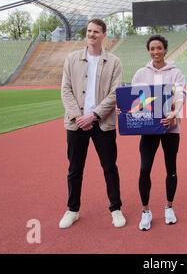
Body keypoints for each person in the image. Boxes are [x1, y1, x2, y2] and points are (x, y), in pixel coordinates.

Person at [59, 18, 126, 229]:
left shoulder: (114, 61)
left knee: (109, 168)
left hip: (102, 123)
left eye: (96, 31)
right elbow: (65, 90)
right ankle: (72, 210)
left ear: (104, 35)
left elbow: (116, 92)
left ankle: (115, 209)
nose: (91, 34)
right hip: (76, 123)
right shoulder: (72, 59)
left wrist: (94, 115)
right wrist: (79, 116)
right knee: (75, 169)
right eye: (89, 31)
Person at [130, 34, 185, 231]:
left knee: (171, 169)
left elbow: (180, 94)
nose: (156, 52)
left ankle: (169, 207)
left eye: (159, 48)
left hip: (171, 128)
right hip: (148, 129)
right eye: (152, 48)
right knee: (145, 169)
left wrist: (175, 111)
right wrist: (125, 109)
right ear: (149, 51)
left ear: (165, 49)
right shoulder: (140, 73)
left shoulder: (176, 73)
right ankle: (145, 211)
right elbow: (133, 101)